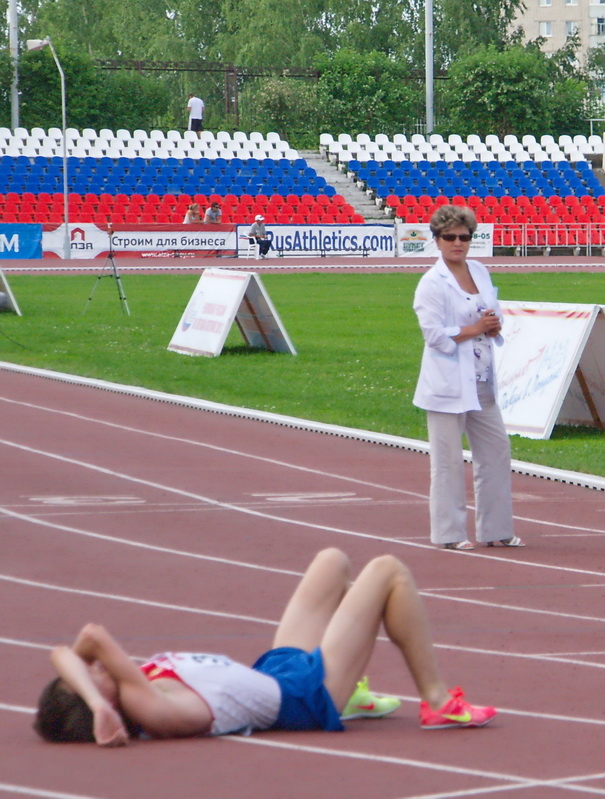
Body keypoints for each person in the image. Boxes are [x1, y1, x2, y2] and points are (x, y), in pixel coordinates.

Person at [33, 547, 496, 746]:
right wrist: (100, 706)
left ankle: (354, 684)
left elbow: (64, 653)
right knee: (388, 571)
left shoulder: (125, 690)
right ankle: (436, 701)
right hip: (307, 696)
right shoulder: (144, 703)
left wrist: (93, 699)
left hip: (276, 671)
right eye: (89, 679)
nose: (92, 668)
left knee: (331, 563)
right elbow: (90, 637)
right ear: (102, 704)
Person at [412, 204, 521, 550]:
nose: (458, 243)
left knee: (496, 450)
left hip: (481, 379)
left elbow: (492, 309)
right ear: (437, 239)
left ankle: (497, 529)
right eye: (450, 237)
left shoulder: (479, 270)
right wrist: (474, 328)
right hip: (446, 384)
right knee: (446, 461)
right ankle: (449, 534)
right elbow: (434, 335)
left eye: (464, 237)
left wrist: (492, 324)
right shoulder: (431, 283)